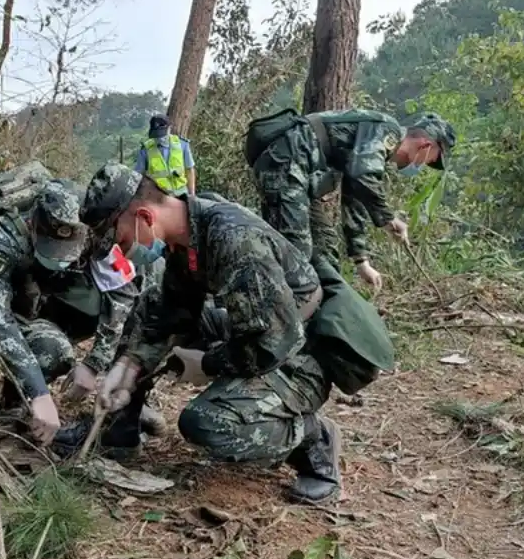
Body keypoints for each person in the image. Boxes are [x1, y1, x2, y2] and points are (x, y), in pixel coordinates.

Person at [71, 162, 351, 505]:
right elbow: (171, 313)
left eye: (120, 238)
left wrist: (207, 363)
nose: (120, 248)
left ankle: (313, 438)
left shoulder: (234, 241)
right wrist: (128, 368)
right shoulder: (186, 233)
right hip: (253, 328)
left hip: (302, 351)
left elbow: (273, 343)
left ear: (144, 216)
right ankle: (119, 430)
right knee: (147, 309)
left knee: (208, 423)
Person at [0, 179, 165, 446]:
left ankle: (123, 412)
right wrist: (39, 393)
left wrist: (94, 364)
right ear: (34, 227)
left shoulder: (94, 231)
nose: (60, 257)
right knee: (52, 350)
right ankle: (16, 400)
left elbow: (122, 293)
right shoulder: (7, 238)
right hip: (23, 312)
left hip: (62, 303)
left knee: (144, 303)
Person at [245, 109, 456, 290]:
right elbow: (362, 176)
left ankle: (325, 316)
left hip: (296, 174)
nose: (425, 165)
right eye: (433, 159)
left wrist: (361, 261)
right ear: (426, 145)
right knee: (296, 255)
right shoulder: (387, 130)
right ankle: (268, 315)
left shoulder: (375, 151)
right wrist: (388, 219)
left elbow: (354, 197)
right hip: (285, 165)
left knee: (325, 246)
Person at [134, 114, 196, 197]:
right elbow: (138, 175)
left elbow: (189, 170)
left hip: (181, 194)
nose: (160, 138)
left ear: (169, 128)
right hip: (157, 197)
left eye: (162, 134)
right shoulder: (146, 149)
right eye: (157, 135)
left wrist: (192, 194)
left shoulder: (182, 144)